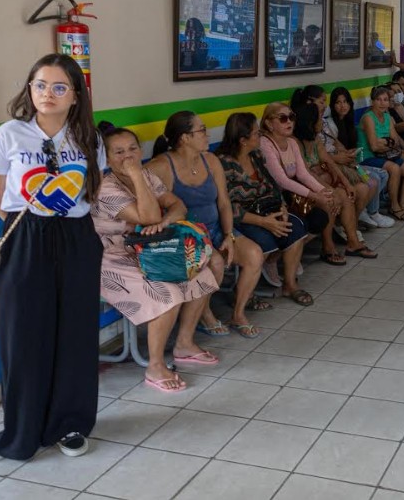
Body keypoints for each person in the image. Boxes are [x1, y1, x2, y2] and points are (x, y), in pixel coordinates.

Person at [0, 54, 104, 462]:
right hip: (24, 236)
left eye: (58, 87)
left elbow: (92, 189)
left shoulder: (88, 137)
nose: (46, 94)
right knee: (22, 336)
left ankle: (69, 425)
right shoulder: (9, 134)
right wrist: (27, 226)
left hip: (76, 239)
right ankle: (21, 430)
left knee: (74, 333)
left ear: (74, 95)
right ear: (29, 89)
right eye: (39, 85)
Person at [93, 125, 220, 386]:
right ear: (105, 158)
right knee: (169, 293)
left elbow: (178, 205)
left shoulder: (148, 176)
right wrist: (137, 175)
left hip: (148, 248)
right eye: (118, 152)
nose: (127, 156)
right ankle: (155, 366)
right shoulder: (106, 187)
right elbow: (148, 216)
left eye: (132, 149)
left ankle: (184, 343)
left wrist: (164, 222)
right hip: (113, 257)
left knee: (201, 273)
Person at [147, 111, 266, 337]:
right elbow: (149, 208)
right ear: (184, 138)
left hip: (216, 229)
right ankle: (205, 314)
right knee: (216, 263)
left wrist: (229, 235)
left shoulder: (210, 160)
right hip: (186, 236)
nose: (207, 134)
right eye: (201, 130)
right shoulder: (161, 167)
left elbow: (223, 202)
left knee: (254, 254)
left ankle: (238, 313)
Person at [219, 113, 313, 307]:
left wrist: (282, 207)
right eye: (256, 133)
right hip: (243, 219)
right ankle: (245, 292)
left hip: (267, 209)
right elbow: (228, 207)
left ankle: (290, 284)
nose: (260, 136)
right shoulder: (224, 165)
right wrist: (264, 222)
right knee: (265, 240)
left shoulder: (256, 156)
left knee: (294, 227)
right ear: (243, 140)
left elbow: (273, 186)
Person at [291, 101, 378, 257]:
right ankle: (328, 246)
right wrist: (329, 190)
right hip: (302, 191)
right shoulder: (295, 143)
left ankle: (352, 242)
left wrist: (346, 183)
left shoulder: (316, 140)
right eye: (319, 118)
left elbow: (330, 163)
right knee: (334, 197)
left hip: (319, 184)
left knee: (345, 193)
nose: (322, 122)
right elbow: (305, 173)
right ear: (310, 122)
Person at [323, 87, 394, 228]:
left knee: (383, 174)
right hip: (346, 164)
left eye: (345, 102)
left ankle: (367, 210)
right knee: (374, 179)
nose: (343, 106)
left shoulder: (349, 120)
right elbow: (333, 151)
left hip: (352, 161)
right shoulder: (330, 124)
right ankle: (369, 212)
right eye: (338, 102)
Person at [359, 85, 404, 219]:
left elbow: (395, 142)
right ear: (373, 101)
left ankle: (403, 204)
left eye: (385, 100)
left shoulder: (387, 116)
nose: (382, 103)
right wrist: (388, 143)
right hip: (367, 156)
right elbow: (374, 147)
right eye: (379, 100)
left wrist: (384, 142)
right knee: (395, 168)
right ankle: (394, 206)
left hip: (384, 155)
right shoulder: (368, 117)